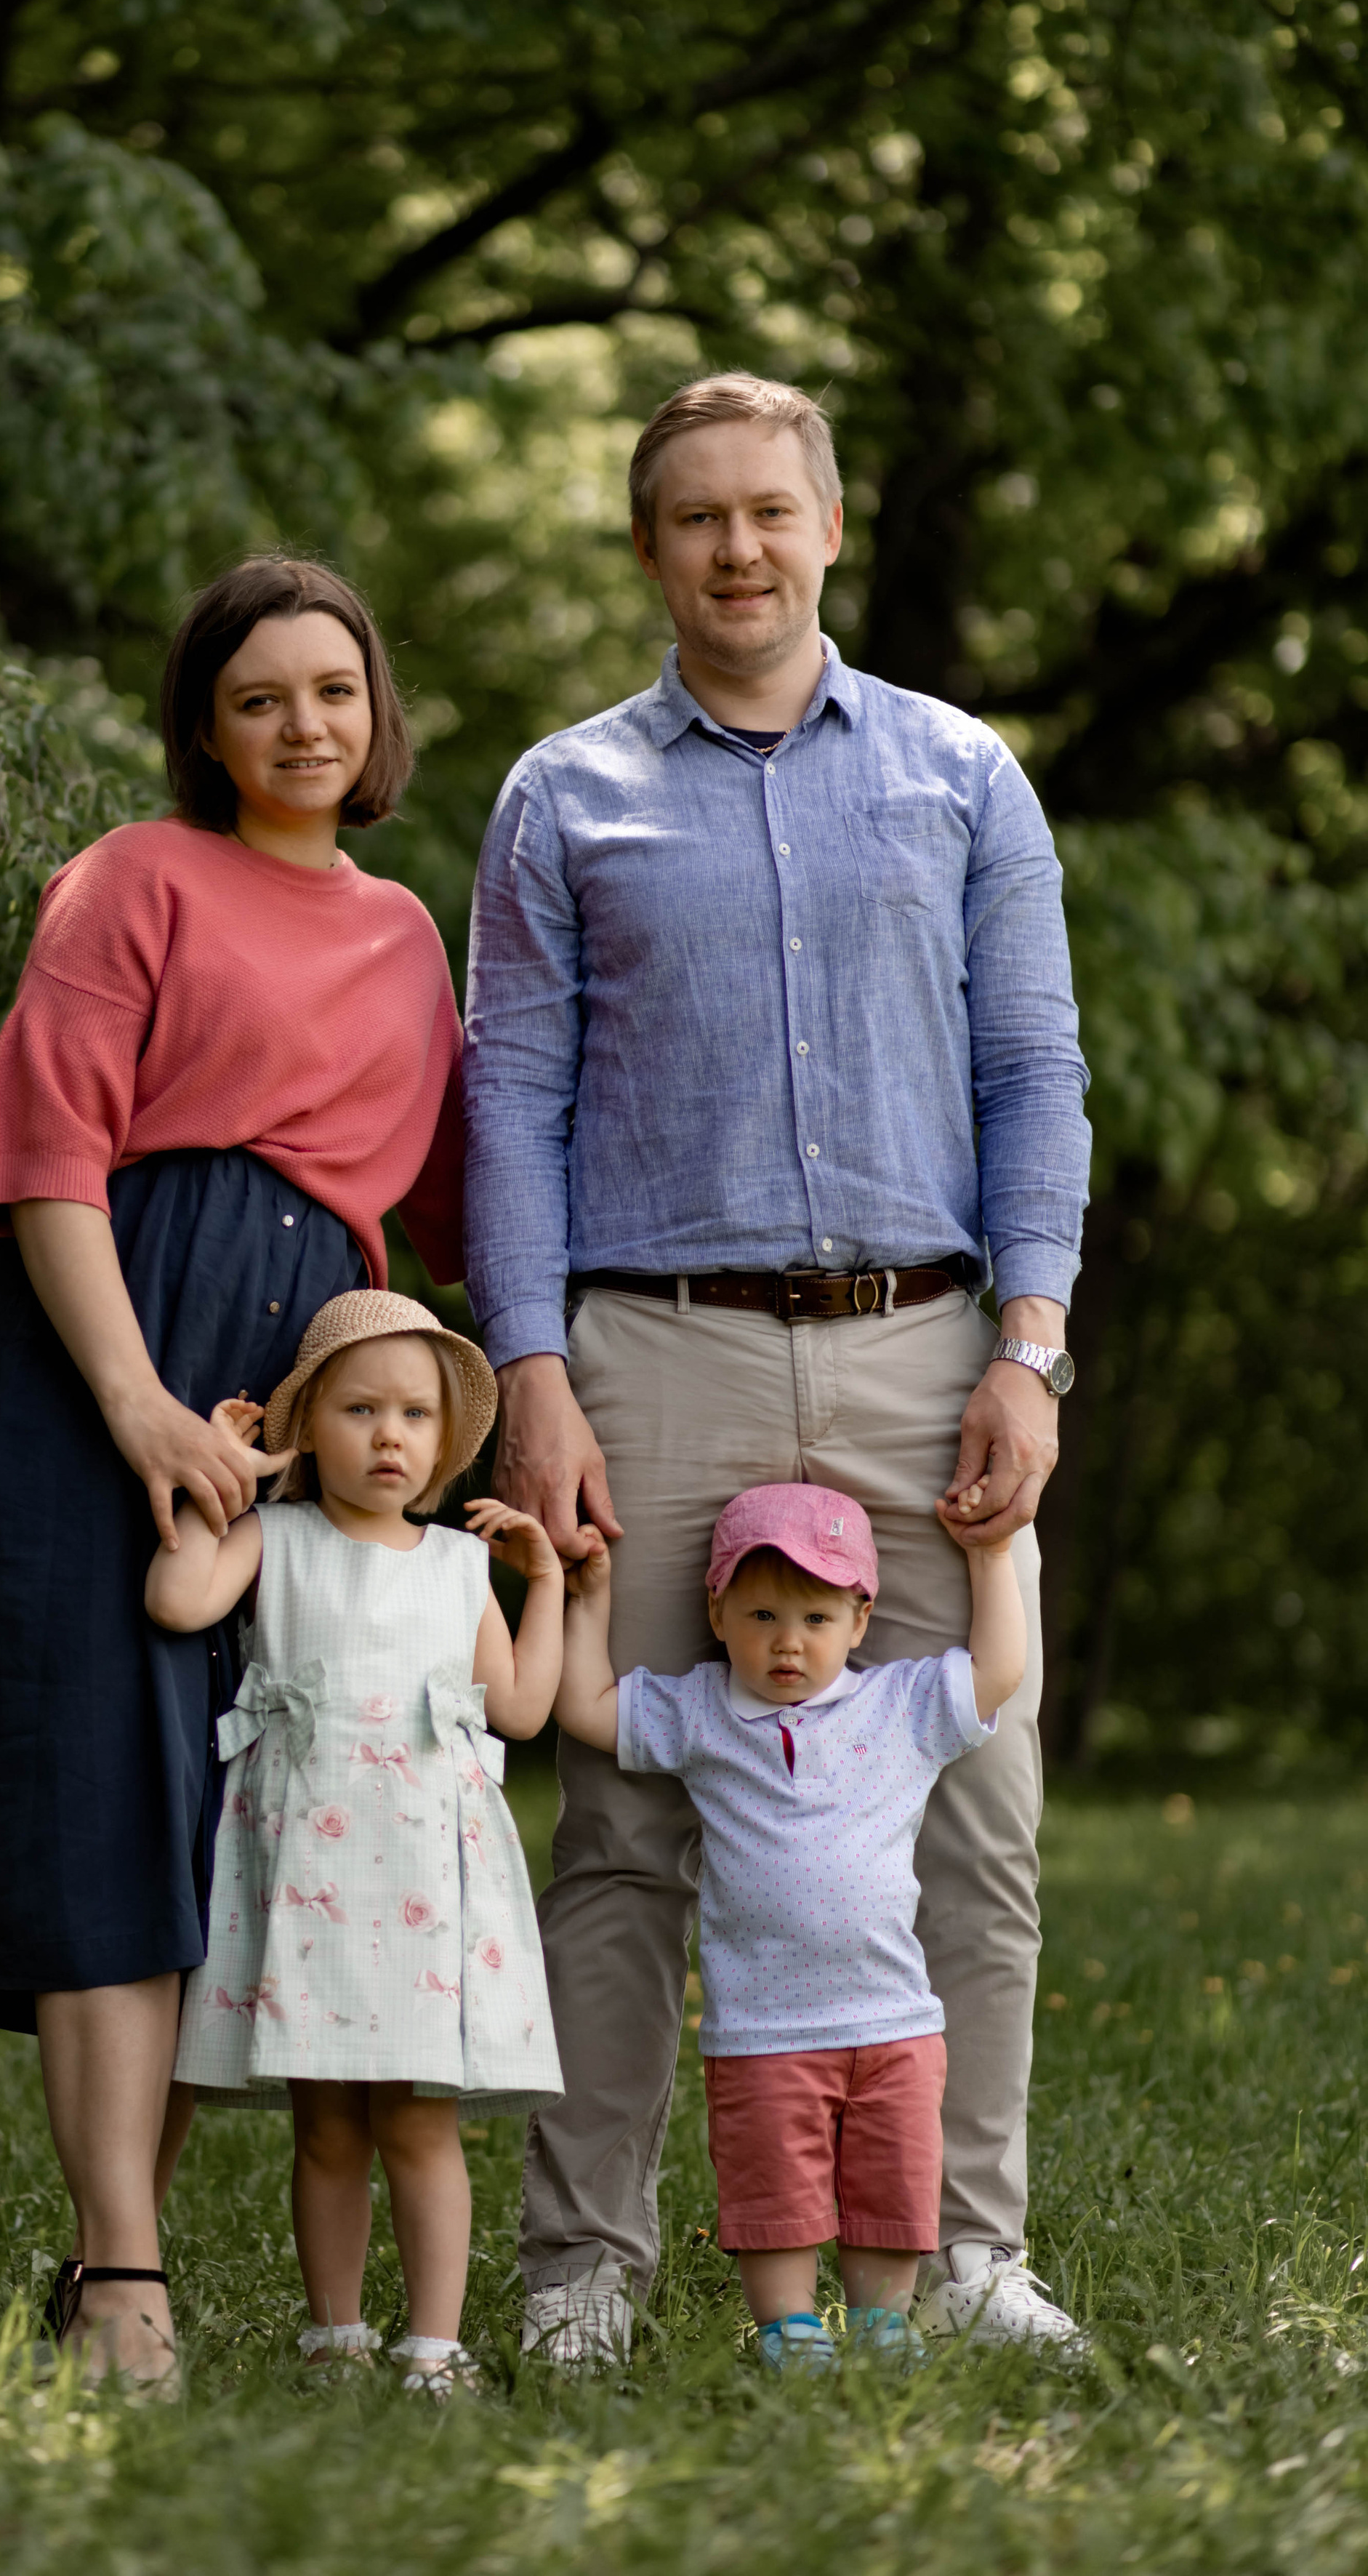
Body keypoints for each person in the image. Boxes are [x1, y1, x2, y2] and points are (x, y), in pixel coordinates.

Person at [464, 371, 1093, 2363]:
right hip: (656, 1354)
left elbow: (1032, 1071)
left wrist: (1033, 1346)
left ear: (830, 530)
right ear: (651, 548)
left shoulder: (961, 774)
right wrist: (534, 1371)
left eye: (770, 509)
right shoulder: (565, 796)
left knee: (977, 1799)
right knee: (624, 1829)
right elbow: (515, 1097)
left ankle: (972, 2251)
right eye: (696, 516)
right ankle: (586, 2273)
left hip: (925, 1355)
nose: (739, 545)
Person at [0, 558, 467, 2388]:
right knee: (101, 1786)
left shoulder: (404, 935)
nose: (303, 723)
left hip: (312, 1370)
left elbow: (456, 1201)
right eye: (258, 697)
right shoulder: (129, 880)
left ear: (376, 712)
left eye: (333, 689)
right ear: (203, 727)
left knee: (250, 1806)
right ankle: (121, 2270)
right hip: (110, 1336)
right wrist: (138, 1402)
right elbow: (42, 1154)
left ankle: (112, 2247)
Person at [153, 1293, 581, 2396]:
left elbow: (526, 1709)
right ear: (308, 1428)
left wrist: (550, 1587)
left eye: (414, 1416)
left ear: (444, 1442)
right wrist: (223, 1487)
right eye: (358, 1410)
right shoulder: (275, 1539)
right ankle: (335, 2337)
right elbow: (175, 1598)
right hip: (308, 1881)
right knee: (330, 2129)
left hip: (426, 1888)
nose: (389, 1435)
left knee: (420, 2125)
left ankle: (434, 2348)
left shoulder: (453, 1567)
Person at [555, 1481, 1028, 2370]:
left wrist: (991, 1556)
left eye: (815, 1617)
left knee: (891, 2186)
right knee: (774, 2191)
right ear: (717, 1611)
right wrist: (589, 1598)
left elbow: (996, 1672)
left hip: (892, 2021)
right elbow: (584, 1708)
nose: (787, 1641)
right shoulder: (698, 1711)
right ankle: (788, 2329)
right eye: (762, 1613)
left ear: (859, 1620)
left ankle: (883, 2326)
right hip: (762, 2029)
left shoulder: (900, 1706)